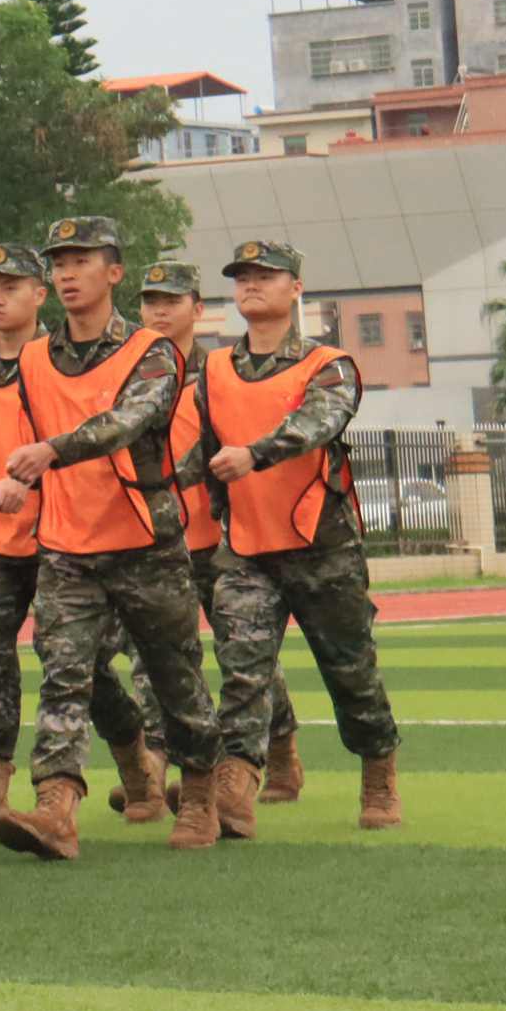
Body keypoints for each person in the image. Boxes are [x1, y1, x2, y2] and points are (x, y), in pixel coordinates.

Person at [0, 214, 223, 859]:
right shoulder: (35, 357)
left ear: (114, 272)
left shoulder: (152, 354)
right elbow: (39, 430)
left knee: (175, 677)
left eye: (81, 261)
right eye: (58, 263)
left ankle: (200, 792)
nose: (66, 273)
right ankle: (55, 808)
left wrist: (49, 455)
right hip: (66, 545)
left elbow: (126, 422)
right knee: (62, 676)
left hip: (145, 540)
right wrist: (27, 482)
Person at [0, 242, 152, 840]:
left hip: (58, 532)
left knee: (77, 666)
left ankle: (134, 756)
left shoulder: (58, 362)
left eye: (11, 286)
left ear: (40, 294)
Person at [196, 239, 405, 833]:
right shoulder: (213, 370)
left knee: (350, 668)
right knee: (241, 667)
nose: (251, 285)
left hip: (321, 544)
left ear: (295, 288)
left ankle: (378, 767)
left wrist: (254, 455)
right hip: (247, 548)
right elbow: (202, 452)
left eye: (266, 275)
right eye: (242, 277)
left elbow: (317, 424)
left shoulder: (329, 365)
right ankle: (237, 778)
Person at [139, 259, 304, 809]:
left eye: (171, 300)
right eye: (150, 301)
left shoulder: (225, 372)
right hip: (153, 541)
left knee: (245, 656)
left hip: (218, 538)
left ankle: (280, 750)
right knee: (154, 659)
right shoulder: (132, 372)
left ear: (196, 309)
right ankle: (153, 771)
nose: (158, 311)